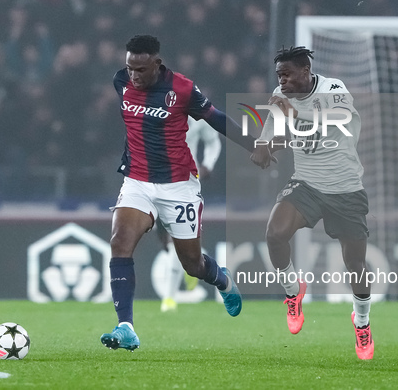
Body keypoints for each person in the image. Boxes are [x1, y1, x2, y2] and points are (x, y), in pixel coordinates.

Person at [100, 35, 257, 352]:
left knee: (192, 265)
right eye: (130, 68)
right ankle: (126, 326)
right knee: (119, 242)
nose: (134, 75)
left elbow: (216, 119)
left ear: (157, 64)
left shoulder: (182, 89)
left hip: (178, 187)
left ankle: (222, 280)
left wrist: (253, 145)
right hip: (137, 180)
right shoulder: (121, 82)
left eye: (141, 69)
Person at [250, 46, 374, 360]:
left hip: (345, 186)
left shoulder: (333, 89)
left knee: (355, 265)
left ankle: (361, 322)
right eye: (279, 75)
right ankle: (293, 292)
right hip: (307, 183)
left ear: (306, 71)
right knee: (274, 234)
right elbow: (272, 132)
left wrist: (297, 114)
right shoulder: (282, 95)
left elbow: (340, 119)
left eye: (287, 74)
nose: (282, 81)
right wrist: (264, 148)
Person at [159, 117, 222, 312]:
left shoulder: (197, 112)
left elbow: (213, 141)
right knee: (163, 243)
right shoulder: (149, 104)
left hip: (183, 184)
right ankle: (191, 263)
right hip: (148, 181)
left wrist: (208, 164)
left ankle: (169, 299)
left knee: (175, 240)